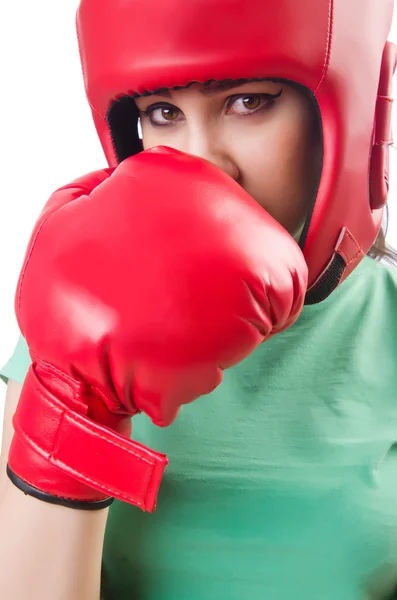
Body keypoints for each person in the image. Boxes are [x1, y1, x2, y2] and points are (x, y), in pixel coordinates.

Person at [1, 0, 397, 598]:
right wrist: (80, 400)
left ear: (353, 106)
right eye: (162, 112)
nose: (205, 161)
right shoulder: (72, 327)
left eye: (248, 101)